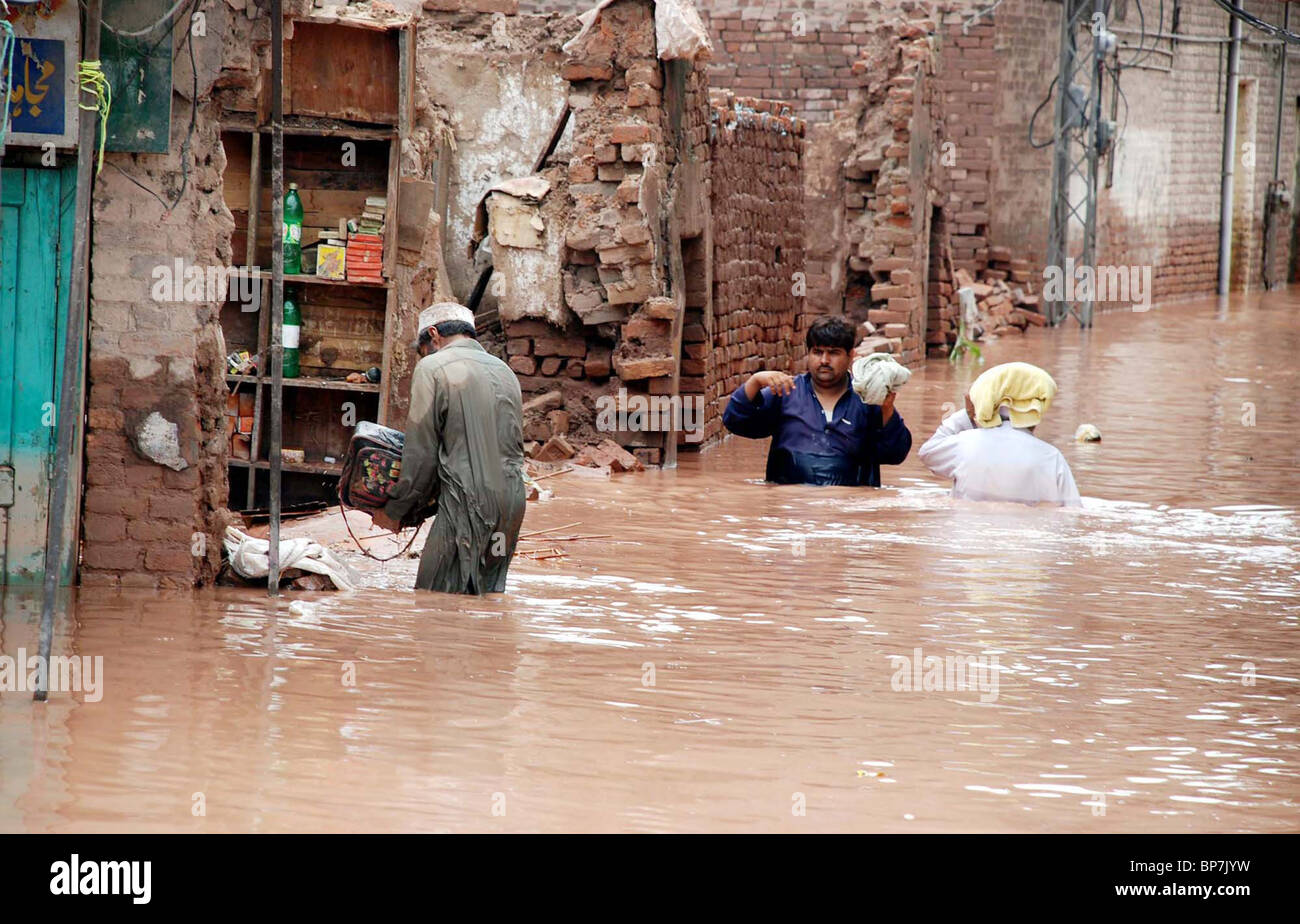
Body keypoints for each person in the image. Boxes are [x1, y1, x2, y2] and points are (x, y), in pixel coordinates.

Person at [370, 302, 527, 593]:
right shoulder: (505, 371)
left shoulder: (431, 367)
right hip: (513, 502)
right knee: (485, 598)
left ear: (433, 334)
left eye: (423, 348)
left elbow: (422, 455)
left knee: (432, 599)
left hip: (467, 504)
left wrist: (395, 510)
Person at [721, 316, 912, 485]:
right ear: (809, 353)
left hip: (849, 514)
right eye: (817, 352)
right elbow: (735, 422)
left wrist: (887, 408)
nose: (824, 360)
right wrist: (755, 382)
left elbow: (895, 454)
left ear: (850, 356)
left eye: (834, 353)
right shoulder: (786, 392)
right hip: (789, 512)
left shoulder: (867, 400)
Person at [918, 361, 1081, 506]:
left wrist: (967, 415)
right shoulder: (1052, 458)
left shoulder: (964, 444)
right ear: (1038, 410)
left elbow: (927, 453)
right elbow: (1072, 512)